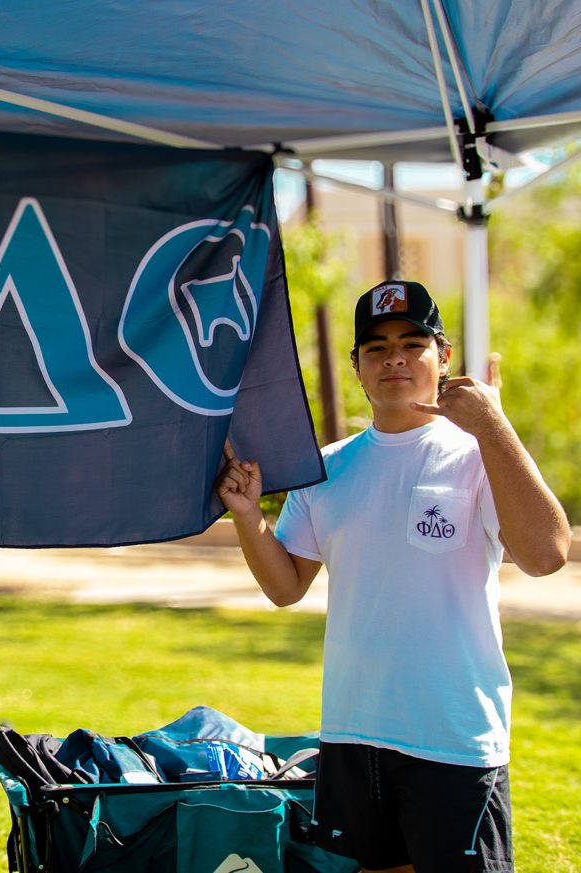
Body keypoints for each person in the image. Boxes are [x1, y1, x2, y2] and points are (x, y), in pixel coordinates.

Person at [215, 280, 569, 873]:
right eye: (376, 348)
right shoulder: (325, 466)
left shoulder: (478, 455)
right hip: (355, 731)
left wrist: (494, 428)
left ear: (443, 358)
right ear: (357, 366)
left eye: (413, 343)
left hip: (453, 735)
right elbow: (285, 587)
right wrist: (249, 517)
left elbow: (547, 554)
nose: (395, 358)